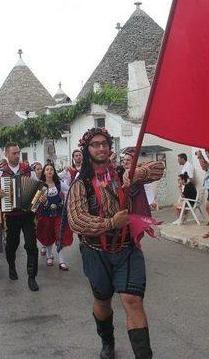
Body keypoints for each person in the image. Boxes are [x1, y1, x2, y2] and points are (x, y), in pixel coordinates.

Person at [67, 128, 164, 359]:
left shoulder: (123, 173)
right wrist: (111, 222)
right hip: (95, 251)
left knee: (132, 300)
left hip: (127, 248)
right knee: (102, 301)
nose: (101, 148)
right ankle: (107, 341)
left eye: (105, 144)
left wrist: (138, 173)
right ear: (87, 150)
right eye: (96, 144)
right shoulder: (80, 184)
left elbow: (159, 169)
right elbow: (76, 220)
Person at [0, 142, 39, 292]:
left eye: (18, 152)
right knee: (12, 244)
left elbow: (38, 188)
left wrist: (40, 199)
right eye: (14, 153)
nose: (17, 155)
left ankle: (32, 277)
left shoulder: (27, 170)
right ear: (6, 155)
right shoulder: (0, 172)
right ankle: (12, 266)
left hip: (27, 214)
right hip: (10, 216)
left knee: (32, 245)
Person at [36, 163, 72, 270]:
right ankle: (49, 256)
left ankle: (61, 261)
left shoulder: (59, 184)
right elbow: (35, 203)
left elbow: (69, 191)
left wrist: (64, 199)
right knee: (48, 234)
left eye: (51, 169)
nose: (49, 171)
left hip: (59, 214)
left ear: (54, 172)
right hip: (45, 215)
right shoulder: (40, 186)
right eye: (47, 169)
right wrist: (42, 201)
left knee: (60, 235)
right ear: (44, 172)